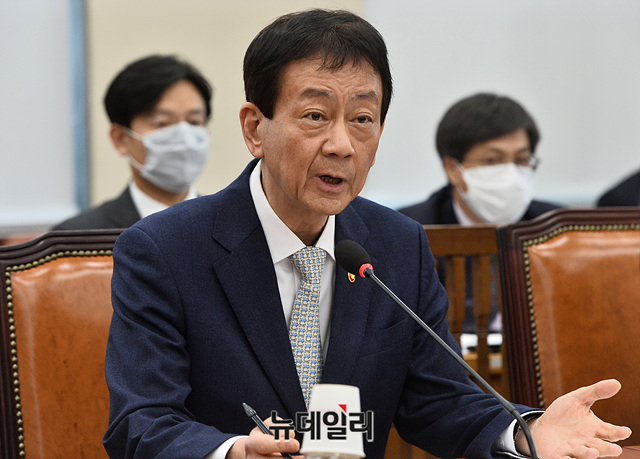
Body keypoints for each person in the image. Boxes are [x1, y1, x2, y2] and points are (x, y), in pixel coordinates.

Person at [103, 9, 630, 459]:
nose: (342, 145)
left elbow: (439, 400)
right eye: (315, 115)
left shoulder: (397, 245)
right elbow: (141, 422)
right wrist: (232, 451)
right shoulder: (164, 251)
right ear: (254, 128)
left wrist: (526, 431)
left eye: (362, 119)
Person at [399, 93, 560, 333]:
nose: (511, 175)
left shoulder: (558, 229)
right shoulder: (408, 232)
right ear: (453, 169)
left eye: (522, 160)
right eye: (493, 160)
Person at [52, 54, 213, 230]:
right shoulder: (78, 235)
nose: (184, 137)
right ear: (120, 139)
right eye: (161, 123)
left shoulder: (230, 226)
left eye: (194, 122)